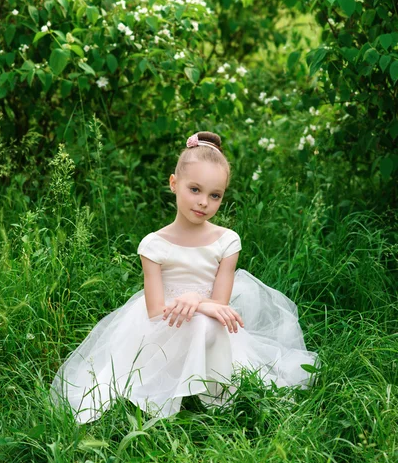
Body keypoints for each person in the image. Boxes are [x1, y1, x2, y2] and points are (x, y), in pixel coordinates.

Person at [50, 131, 319, 424]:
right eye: (195, 190)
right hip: (164, 323)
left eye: (215, 195)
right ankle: (170, 390)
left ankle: (217, 400)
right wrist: (191, 300)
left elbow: (220, 305)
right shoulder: (154, 244)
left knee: (208, 322)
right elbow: (155, 310)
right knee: (196, 321)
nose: (204, 202)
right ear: (174, 184)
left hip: (210, 327)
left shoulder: (227, 241)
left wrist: (199, 302)